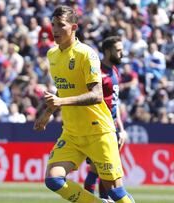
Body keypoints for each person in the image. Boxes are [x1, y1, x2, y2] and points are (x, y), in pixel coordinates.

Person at [34, 6, 134, 203]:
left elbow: (96, 95)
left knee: (115, 191)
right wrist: (47, 113)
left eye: (61, 25)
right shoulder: (53, 55)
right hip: (72, 132)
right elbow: (63, 89)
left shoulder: (86, 54)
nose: (55, 30)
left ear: (73, 27)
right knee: (53, 179)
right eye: (53, 25)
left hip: (98, 132)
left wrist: (61, 102)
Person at [83, 36, 128, 199]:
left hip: (113, 128)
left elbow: (115, 103)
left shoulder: (115, 70)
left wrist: (121, 130)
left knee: (107, 172)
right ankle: (87, 200)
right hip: (100, 128)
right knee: (98, 169)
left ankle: (105, 200)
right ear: (107, 51)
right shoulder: (97, 73)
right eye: (118, 50)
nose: (122, 53)